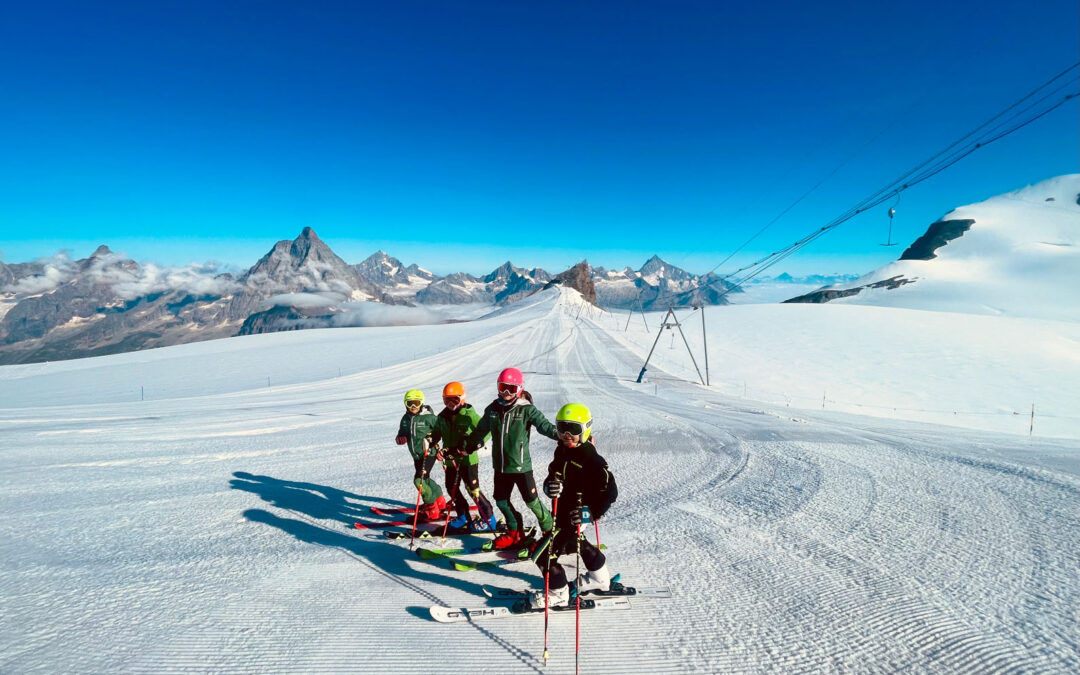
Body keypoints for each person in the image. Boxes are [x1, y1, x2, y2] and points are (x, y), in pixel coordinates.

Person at [529, 403, 618, 609]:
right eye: (562, 428)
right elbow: (553, 475)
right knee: (580, 545)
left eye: (574, 429)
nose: (567, 435)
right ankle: (600, 579)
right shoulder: (561, 451)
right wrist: (549, 487)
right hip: (561, 513)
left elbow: (610, 492)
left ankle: (558, 594)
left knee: (542, 555)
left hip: (576, 516)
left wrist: (591, 512)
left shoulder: (592, 458)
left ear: (585, 429)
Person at [466, 367, 559, 549]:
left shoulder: (526, 410)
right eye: (502, 387)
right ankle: (515, 534)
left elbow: (545, 427)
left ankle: (550, 533)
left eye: (511, 388)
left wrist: (566, 435)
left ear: (520, 390)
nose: (506, 393)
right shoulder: (492, 409)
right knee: (501, 501)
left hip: (521, 467)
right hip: (500, 467)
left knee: (532, 502)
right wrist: (466, 446)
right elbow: (480, 431)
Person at [433, 381, 498, 533]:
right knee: (452, 488)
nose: (450, 403)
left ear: (462, 398)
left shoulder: (470, 415)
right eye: (446, 400)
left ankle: (489, 519)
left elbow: (486, 430)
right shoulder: (442, 417)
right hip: (451, 460)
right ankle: (463, 516)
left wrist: (476, 443)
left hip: (468, 460)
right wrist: (431, 442)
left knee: (473, 489)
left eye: (454, 399)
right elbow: (436, 433)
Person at [395, 389, 447, 520]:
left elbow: (441, 429)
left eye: (416, 403)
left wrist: (432, 438)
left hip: (428, 453)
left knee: (419, 481)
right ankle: (440, 501)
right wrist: (400, 437)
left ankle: (432, 510)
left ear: (421, 403)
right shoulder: (405, 419)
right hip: (416, 455)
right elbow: (402, 432)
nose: (413, 407)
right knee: (426, 478)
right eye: (410, 403)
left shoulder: (428, 417)